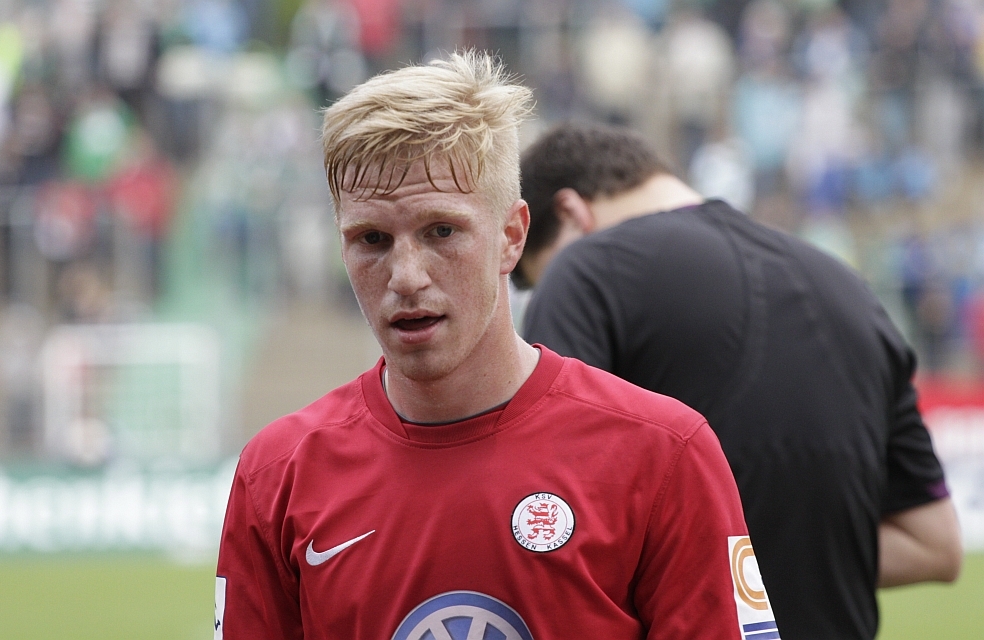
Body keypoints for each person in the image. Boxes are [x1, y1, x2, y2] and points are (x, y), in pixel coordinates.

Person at [215, 53, 778, 639]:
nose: (406, 276)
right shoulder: (276, 476)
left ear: (512, 237)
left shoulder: (664, 455)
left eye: (442, 231)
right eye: (372, 239)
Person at [516, 121, 963, 640]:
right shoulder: (851, 291)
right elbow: (934, 543)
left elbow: (552, 513)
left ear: (571, 213)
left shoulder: (584, 268)